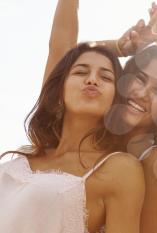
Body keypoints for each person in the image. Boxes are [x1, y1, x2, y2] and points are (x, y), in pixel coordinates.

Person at [42, 0, 157, 232]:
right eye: (139, 79)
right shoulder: (93, 129)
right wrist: (120, 48)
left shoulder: (154, 159)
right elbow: (67, 58)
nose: (143, 94)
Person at [0, 43, 145, 233]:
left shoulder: (120, 168)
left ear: (116, 98)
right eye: (80, 72)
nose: (92, 80)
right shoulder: (26, 157)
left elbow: (60, 39)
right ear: (60, 88)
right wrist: (117, 45)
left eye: (106, 77)